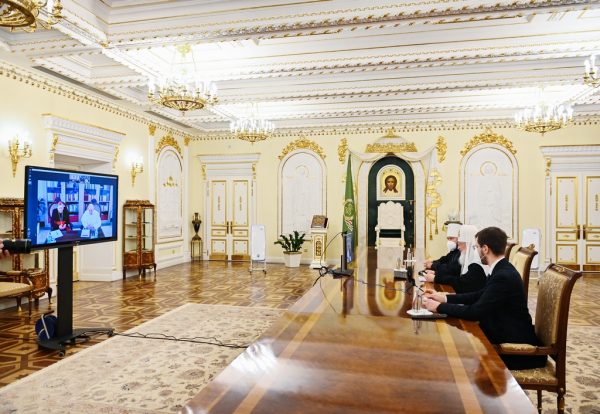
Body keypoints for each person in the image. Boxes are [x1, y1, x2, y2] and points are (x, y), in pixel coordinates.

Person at [423, 227, 546, 370]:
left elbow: (475, 312)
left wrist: (438, 307)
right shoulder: (501, 268)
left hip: (516, 350)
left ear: (485, 249)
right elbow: (480, 294)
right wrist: (445, 298)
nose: (476, 251)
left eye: (476, 247)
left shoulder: (502, 276)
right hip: (502, 332)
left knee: (453, 352)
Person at [425, 224, 487, 293]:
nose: (458, 247)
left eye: (460, 244)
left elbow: (460, 282)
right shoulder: (465, 258)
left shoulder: (476, 265)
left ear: (468, 244)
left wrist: (436, 277)